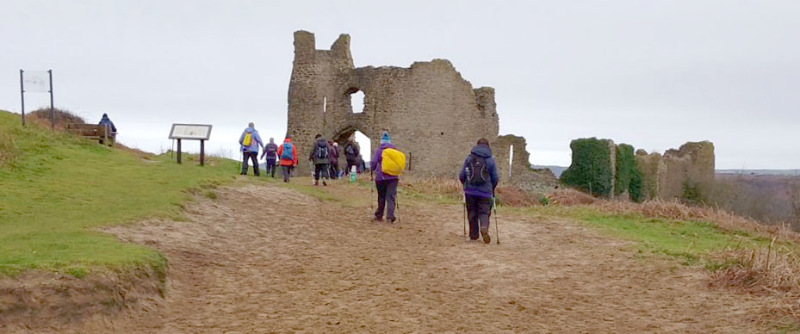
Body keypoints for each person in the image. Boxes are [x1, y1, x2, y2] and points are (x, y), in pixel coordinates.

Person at [458, 138, 499, 243]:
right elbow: (495, 178)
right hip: (485, 192)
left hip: (470, 190)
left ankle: (473, 235)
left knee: (472, 212)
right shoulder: (490, 160)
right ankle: (484, 227)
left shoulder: (469, 158)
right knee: (484, 212)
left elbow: (462, 175)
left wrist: (465, 185)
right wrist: (492, 188)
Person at [371, 131, 400, 223]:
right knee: (391, 197)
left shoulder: (379, 150)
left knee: (381, 196)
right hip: (393, 178)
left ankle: (379, 215)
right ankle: (390, 217)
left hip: (381, 177)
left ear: (381, 142)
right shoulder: (395, 151)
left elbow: (374, 162)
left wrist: (372, 169)